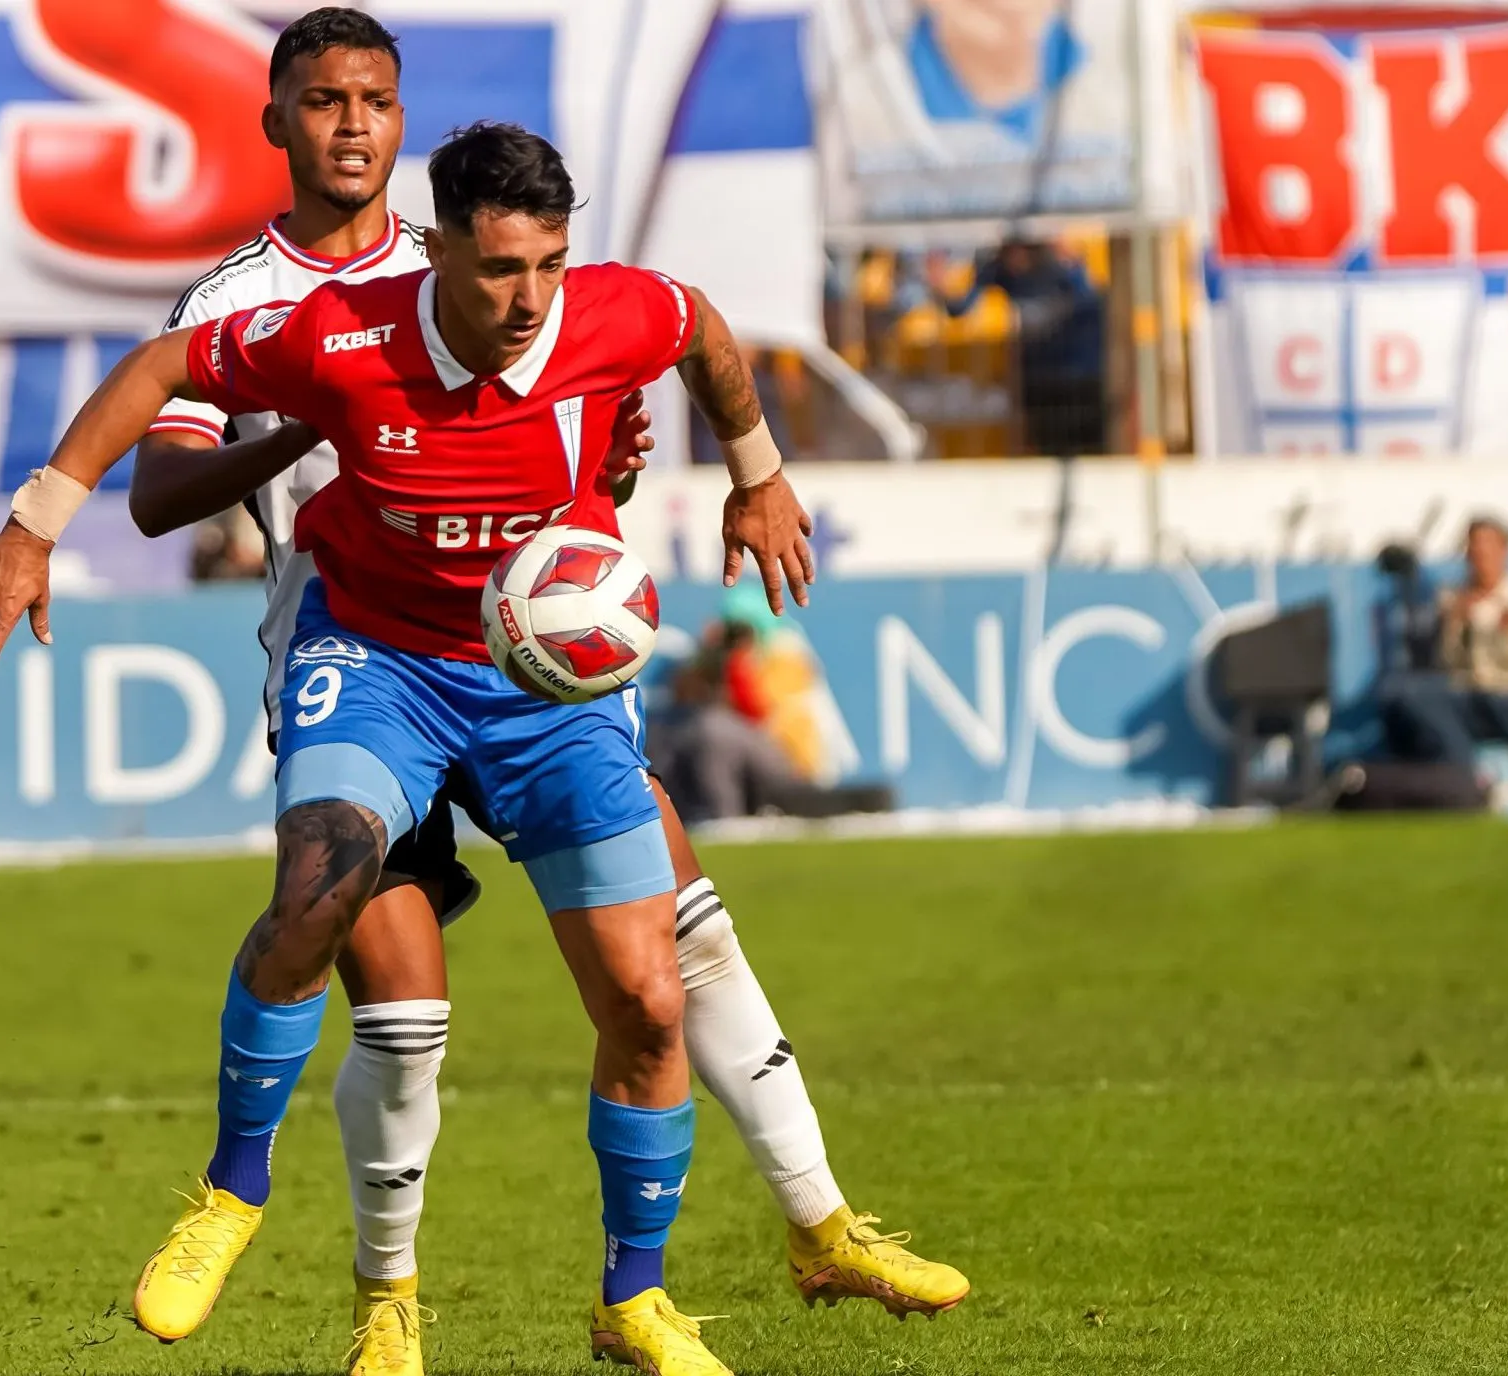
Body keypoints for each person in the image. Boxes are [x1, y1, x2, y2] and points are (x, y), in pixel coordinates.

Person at [115, 15, 966, 1376]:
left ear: (404, 122)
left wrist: (629, 470)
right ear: (276, 120)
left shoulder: (492, 262)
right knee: (402, 1017)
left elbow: (601, 418)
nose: (351, 124)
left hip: (527, 657)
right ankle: (381, 1301)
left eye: (374, 99)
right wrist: (312, 427)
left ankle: (815, 1223)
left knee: (675, 948)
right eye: (323, 101)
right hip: (356, 660)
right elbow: (158, 488)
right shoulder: (257, 306)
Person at [0, 112, 827, 1374]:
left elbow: (704, 333)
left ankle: (633, 1299)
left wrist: (758, 472)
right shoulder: (339, 335)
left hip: (535, 690)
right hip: (376, 664)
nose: (527, 299)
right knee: (320, 880)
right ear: (439, 250)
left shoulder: (612, 312)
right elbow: (158, 367)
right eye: (499, 268)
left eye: (548, 265)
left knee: (646, 992)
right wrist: (32, 526)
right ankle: (231, 1191)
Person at [1379, 519, 1508, 769]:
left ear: (1504, 551)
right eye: (1473, 550)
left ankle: (1463, 777)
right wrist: (1450, 621)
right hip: (1463, 696)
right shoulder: (1452, 598)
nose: (1480, 557)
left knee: (1427, 700)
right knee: (1400, 699)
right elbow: (1430, 664)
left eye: (1487, 549)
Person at [925, 238, 1106, 456]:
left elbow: (1089, 299)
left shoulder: (1059, 268)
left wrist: (1073, 264)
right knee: (1047, 446)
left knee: (1087, 446)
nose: (1017, 259)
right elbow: (959, 309)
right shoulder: (997, 270)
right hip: (1036, 378)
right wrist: (941, 288)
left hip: (1077, 375)